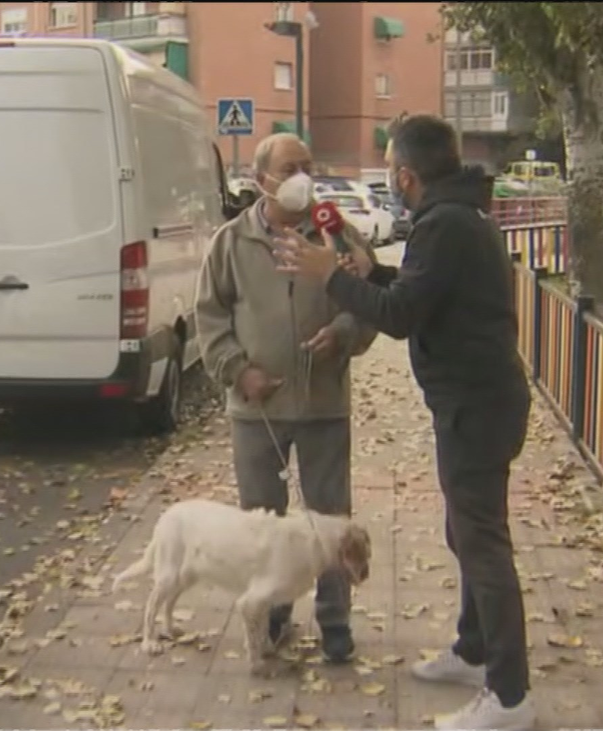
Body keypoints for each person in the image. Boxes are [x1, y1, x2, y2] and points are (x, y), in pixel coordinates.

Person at [273, 115, 535, 731]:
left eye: (391, 168)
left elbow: (399, 316)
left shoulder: (444, 225)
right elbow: (421, 291)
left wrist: (331, 276)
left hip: (475, 407)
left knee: (483, 547)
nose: (390, 178)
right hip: (479, 402)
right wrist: (375, 273)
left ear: (407, 175)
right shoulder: (459, 217)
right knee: (465, 534)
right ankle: (474, 650)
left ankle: (510, 697)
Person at [195, 132, 378, 663]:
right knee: (262, 524)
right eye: (290, 168)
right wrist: (238, 370)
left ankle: (335, 623)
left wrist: (343, 334)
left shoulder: (339, 235)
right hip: (258, 411)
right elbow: (210, 317)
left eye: (308, 166)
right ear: (261, 181)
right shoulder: (231, 243)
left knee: (331, 521)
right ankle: (272, 618)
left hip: (324, 404)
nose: (303, 178)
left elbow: (370, 302)